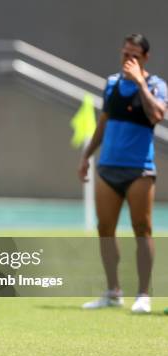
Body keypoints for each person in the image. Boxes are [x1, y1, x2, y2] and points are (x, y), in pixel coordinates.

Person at [78, 34, 166, 313]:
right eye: (125, 53)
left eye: (135, 55)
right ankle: (113, 291)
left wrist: (139, 82)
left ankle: (143, 294)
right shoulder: (112, 83)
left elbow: (158, 115)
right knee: (105, 230)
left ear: (145, 58)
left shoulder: (155, 85)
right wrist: (86, 157)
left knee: (142, 230)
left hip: (140, 170)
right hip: (108, 168)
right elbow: (103, 123)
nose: (128, 59)